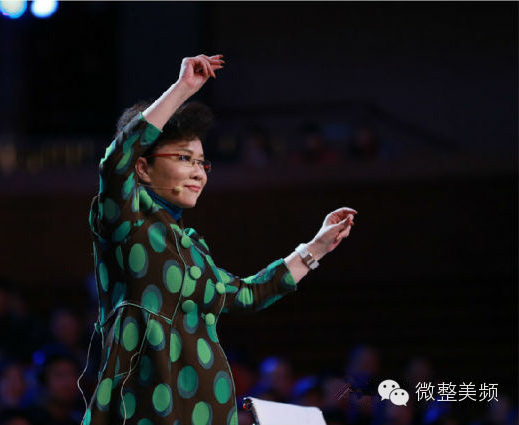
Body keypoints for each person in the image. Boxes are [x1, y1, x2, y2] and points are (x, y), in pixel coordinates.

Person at [84, 54, 357, 425]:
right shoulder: (125, 222)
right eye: (185, 158)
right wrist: (183, 89)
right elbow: (116, 160)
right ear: (143, 168)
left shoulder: (193, 247)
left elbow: (248, 294)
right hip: (146, 411)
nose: (199, 173)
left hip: (208, 409)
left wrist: (315, 249)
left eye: (202, 163)